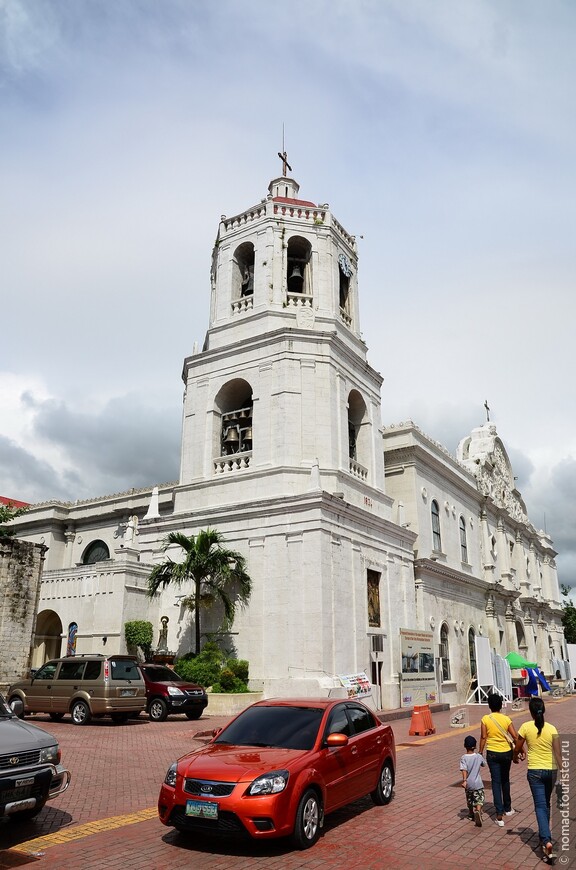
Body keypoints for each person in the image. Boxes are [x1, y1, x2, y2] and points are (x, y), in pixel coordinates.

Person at [513, 697, 562, 862]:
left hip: (535, 772)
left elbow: (518, 747)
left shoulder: (526, 727)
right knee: (546, 804)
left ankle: (546, 840)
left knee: (540, 806)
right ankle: (544, 835)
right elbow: (558, 755)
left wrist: (515, 756)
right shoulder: (552, 729)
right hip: (551, 771)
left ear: (531, 712)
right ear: (543, 710)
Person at [479, 693, 520, 826]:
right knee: (505, 780)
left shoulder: (485, 719)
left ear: (489, 705)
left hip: (492, 753)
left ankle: (499, 814)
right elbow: (514, 736)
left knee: (495, 782)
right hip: (506, 753)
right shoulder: (506, 719)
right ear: (501, 705)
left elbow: (484, 737)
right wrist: (520, 750)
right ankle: (508, 808)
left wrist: (480, 751)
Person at [460, 734, 486, 827]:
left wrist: (464, 780)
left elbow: (464, 769)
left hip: (468, 783)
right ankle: (478, 811)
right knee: (479, 799)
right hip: (478, 783)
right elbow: (484, 764)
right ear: (475, 746)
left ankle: (471, 813)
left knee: (470, 799)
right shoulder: (478, 756)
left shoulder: (463, 758)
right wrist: (481, 755)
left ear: (464, 746)